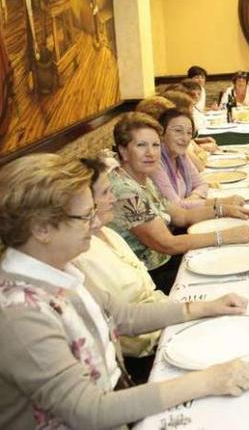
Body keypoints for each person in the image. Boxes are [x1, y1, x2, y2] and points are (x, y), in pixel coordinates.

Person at [0, 154, 249, 429]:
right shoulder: (18, 312)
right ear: (41, 229)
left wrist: (205, 307)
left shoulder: (58, 267)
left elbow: (122, 315)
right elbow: (89, 410)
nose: (97, 224)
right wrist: (207, 380)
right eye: (86, 216)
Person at [107, 113, 249, 293]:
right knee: (231, 277)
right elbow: (167, 244)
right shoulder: (126, 192)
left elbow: (181, 216)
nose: (151, 153)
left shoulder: (142, 179)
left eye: (155, 145)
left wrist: (225, 210)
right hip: (149, 279)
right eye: (141, 145)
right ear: (123, 151)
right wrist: (226, 236)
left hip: (164, 262)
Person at [73, 157, 169, 380]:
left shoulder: (109, 233)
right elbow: (119, 325)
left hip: (161, 328)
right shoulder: (78, 258)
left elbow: (149, 294)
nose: (113, 197)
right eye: (106, 192)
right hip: (142, 356)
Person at [150, 108, 244, 209]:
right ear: (161, 134)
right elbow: (176, 207)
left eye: (189, 133)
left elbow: (202, 184)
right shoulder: (155, 162)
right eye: (178, 131)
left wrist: (191, 199)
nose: (185, 138)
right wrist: (221, 202)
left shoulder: (181, 156)